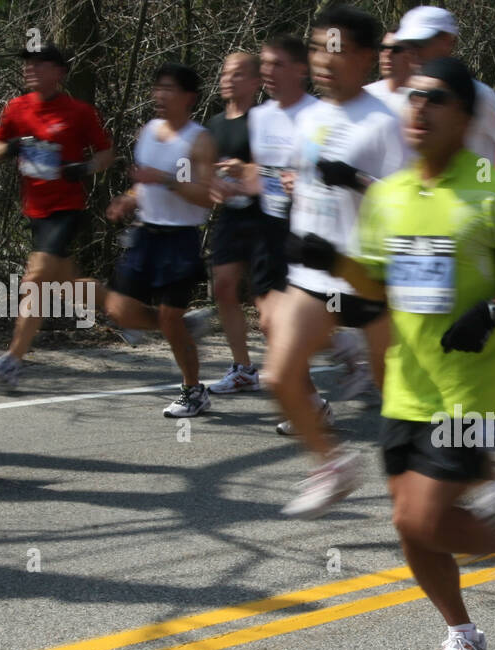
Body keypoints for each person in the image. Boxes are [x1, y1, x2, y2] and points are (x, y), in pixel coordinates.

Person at [304, 58, 495, 650]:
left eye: (437, 100)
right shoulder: (390, 195)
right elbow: (378, 286)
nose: (419, 109)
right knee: (415, 533)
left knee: (417, 518)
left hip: (469, 385)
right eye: (413, 98)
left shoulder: (492, 192)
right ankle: (464, 637)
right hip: (406, 381)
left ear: (466, 117)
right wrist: (334, 262)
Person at [267, 3, 407, 517]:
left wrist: (353, 180)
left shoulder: (387, 121)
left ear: (367, 58)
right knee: (279, 376)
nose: (324, 61)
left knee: (402, 399)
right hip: (314, 275)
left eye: (337, 51)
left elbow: (408, 203)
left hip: (371, 280)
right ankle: (332, 464)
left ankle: (468, 489)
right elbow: (305, 181)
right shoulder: (311, 116)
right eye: (316, 48)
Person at [0, 43, 113, 390]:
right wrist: (12, 146)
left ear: (59, 72)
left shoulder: (79, 111)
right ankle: (131, 314)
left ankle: (11, 361)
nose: (29, 69)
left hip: (66, 208)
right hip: (35, 210)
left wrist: (83, 167)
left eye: (38, 64)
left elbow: (106, 152)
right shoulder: (17, 107)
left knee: (34, 282)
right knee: (65, 286)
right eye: (26, 64)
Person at [104, 64, 217, 418]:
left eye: (169, 88)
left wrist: (165, 179)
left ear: (189, 97)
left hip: (180, 239)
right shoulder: (148, 131)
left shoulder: (199, 140)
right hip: (145, 234)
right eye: (157, 88)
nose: (160, 95)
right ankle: (186, 326)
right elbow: (142, 182)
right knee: (120, 311)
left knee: (168, 318)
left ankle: (193, 390)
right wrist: (129, 197)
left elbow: (206, 196)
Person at [202, 52, 271, 396]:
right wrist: (213, 187)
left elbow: (277, 167)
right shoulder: (213, 125)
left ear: (256, 81)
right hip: (231, 216)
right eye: (225, 72)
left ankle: (312, 363)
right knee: (224, 289)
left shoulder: (264, 119)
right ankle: (243, 368)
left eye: (238, 74)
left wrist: (245, 171)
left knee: (266, 304)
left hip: (264, 217)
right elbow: (205, 173)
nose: (228, 79)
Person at [394, 6, 495, 163]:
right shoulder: (405, 95)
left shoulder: (481, 95)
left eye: (420, 43)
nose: (412, 51)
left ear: (448, 42)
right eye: (407, 44)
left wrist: (486, 182)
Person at [363, 31, 415, 113]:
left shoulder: (422, 100)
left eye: (395, 49)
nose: (387, 54)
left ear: (411, 54)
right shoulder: (365, 95)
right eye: (382, 48)